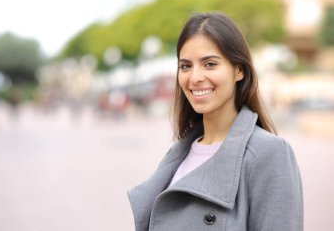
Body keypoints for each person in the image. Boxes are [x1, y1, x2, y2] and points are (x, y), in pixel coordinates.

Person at [127, 12, 303, 231]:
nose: (195, 77)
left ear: (239, 70)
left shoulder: (269, 154)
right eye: (185, 66)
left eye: (209, 64)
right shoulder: (179, 154)